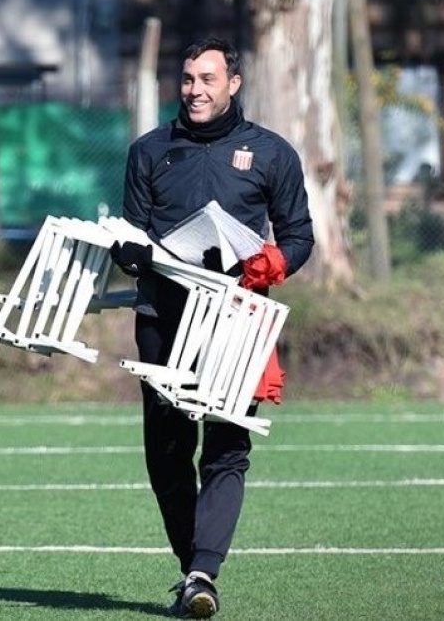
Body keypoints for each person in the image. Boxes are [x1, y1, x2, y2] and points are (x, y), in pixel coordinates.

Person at [111, 37, 314, 618]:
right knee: (167, 451)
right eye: (187, 80)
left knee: (226, 448)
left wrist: (275, 261)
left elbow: (298, 235)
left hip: (238, 320)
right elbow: (133, 233)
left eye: (206, 79)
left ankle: (204, 570)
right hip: (161, 317)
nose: (194, 90)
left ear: (233, 83)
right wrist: (131, 254)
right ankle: (192, 572)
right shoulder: (149, 150)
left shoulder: (272, 153)